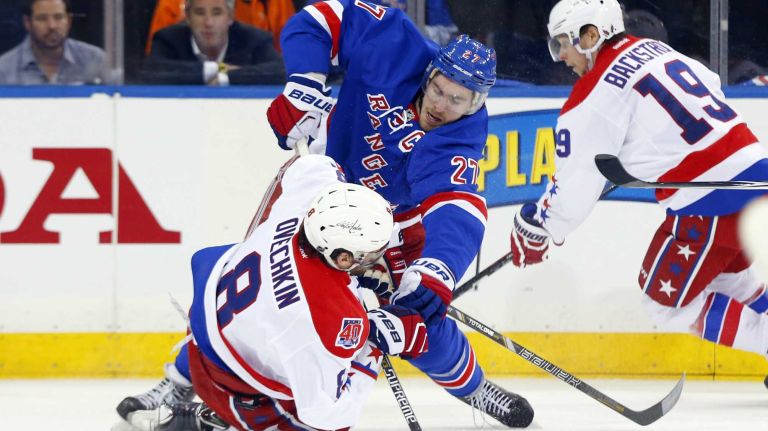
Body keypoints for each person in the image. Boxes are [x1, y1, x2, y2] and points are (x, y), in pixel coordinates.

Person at [265, 1, 534, 428]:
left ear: (476, 103)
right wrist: (304, 82)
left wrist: (436, 271)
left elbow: (456, 207)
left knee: (419, 320)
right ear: (429, 74)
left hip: (390, 224)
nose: (442, 106)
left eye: (458, 100)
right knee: (261, 274)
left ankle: (476, 389)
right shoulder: (394, 43)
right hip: (321, 187)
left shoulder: (461, 135)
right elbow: (319, 20)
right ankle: (190, 376)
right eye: (439, 90)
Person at [510, 0, 768, 368]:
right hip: (755, 175)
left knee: (664, 304)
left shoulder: (594, 94)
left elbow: (575, 180)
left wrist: (542, 226)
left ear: (591, 34)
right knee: (728, 275)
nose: (562, 56)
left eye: (565, 42)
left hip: (711, 199)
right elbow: (711, 86)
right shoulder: (655, 49)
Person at [113, 154, 430, 431]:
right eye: (370, 252)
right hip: (232, 386)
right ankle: (217, 420)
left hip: (209, 332)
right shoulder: (327, 320)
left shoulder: (305, 206)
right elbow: (330, 417)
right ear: (343, 257)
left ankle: (195, 393)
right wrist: (371, 350)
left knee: (280, 342)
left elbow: (312, 165)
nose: (377, 258)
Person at [140, 0, 285, 85]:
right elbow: (151, 71)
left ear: (230, 17)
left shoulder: (254, 39)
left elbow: (281, 71)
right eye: (200, 13)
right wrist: (217, 69)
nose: (208, 23)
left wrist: (225, 77)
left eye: (217, 13)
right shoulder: (168, 39)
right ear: (188, 17)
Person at [0, 0, 108, 85]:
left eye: (58, 17)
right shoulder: (4, 69)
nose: (52, 26)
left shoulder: (95, 59)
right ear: (27, 22)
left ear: (69, 21)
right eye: (42, 18)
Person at [144, 0, 296, 54]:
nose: (209, 22)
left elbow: (288, 63)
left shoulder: (272, 2)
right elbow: (157, 67)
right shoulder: (172, 4)